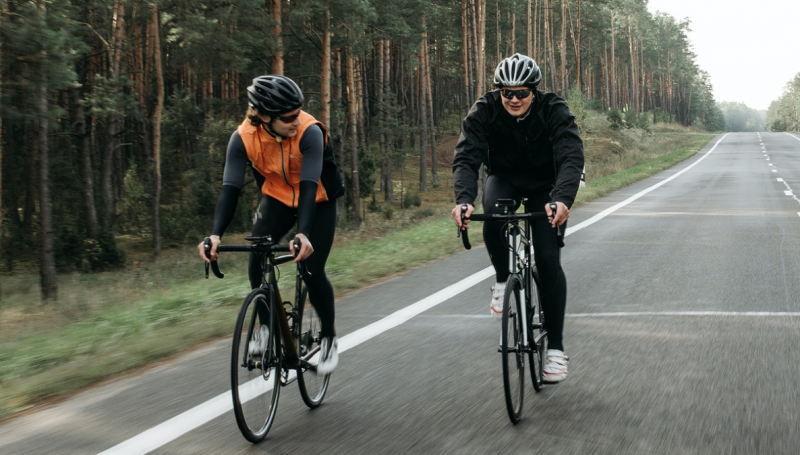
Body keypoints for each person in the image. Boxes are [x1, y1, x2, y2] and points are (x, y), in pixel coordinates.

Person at [451, 54, 584, 383]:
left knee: (549, 259)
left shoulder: (553, 109)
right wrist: (464, 201)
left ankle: (555, 349)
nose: (513, 99)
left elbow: (571, 154)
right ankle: (501, 280)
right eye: (505, 92)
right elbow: (467, 157)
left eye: (521, 93)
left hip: (546, 186)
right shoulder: (485, 109)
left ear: (534, 91)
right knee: (492, 215)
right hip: (505, 178)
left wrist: (563, 200)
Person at [198, 75, 344, 374]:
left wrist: (302, 233)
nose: (296, 119)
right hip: (277, 197)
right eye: (289, 116)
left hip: (317, 198)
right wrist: (214, 235)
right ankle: (266, 330)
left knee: (312, 267)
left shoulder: (309, 131)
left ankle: (329, 340)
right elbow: (230, 189)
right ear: (264, 116)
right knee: (257, 256)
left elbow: (307, 184)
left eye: (298, 112)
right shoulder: (243, 138)